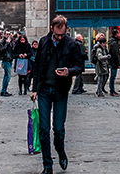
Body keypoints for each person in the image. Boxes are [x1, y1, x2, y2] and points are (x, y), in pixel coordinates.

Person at [31, 14, 84, 174]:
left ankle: (60, 151)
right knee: (44, 128)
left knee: (59, 129)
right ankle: (47, 165)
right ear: (52, 28)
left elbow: (79, 66)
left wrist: (69, 71)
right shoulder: (44, 42)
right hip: (44, 90)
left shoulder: (72, 44)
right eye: (57, 34)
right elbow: (38, 66)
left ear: (66, 30)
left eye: (62, 34)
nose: (59, 37)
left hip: (61, 90)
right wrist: (34, 89)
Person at [0, 31, 15, 97]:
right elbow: (2, 50)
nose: (8, 35)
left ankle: (4, 90)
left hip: (10, 59)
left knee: (7, 75)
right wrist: (7, 43)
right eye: (7, 34)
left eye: (9, 34)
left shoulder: (11, 41)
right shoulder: (2, 42)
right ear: (4, 35)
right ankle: (3, 90)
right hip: (6, 59)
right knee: (8, 75)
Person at [108, 29, 120, 97]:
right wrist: (119, 63)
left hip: (112, 62)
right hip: (113, 62)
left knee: (113, 77)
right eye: (118, 34)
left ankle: (112, 90)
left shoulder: (112, 42)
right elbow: (115, 54)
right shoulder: (114, 43)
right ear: (116, 34)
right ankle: (112, 91)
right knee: (113, 77)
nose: (119, 35)